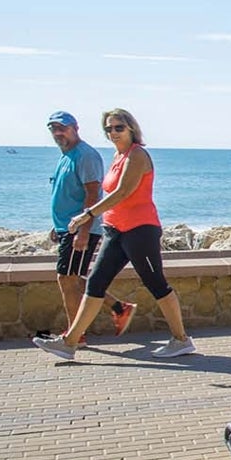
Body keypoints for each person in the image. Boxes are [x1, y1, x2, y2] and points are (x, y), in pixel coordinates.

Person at [32, 109, 195, 361]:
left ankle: (181, 340)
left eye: (119, 127)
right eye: (108, 129)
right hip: (115, 231)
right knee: (95, 283)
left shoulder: (137, 155)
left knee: (156, 284)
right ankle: (69, 343)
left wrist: (86, 216)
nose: (113, 133)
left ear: (131, 128)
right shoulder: (117, 155)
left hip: (140, 230)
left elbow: (121, 193)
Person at [44, 111, 137, 340]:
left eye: (62, 128)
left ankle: (75, 334)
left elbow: (93, 194)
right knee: (72, 276)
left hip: (81, 228)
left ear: (75, 128)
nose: (58, 133)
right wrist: (58, 226)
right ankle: (118, 308)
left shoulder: (85, 155)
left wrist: (84, 231)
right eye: (54, 129)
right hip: (69, 227)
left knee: (67, 278)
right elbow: (65, 195)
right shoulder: (66, 156)